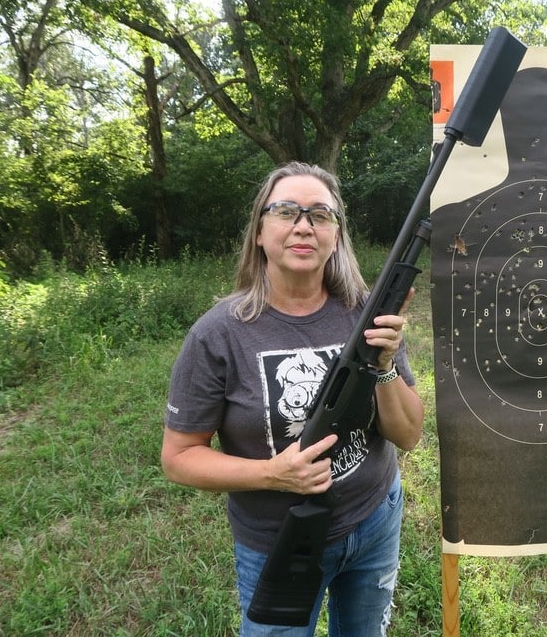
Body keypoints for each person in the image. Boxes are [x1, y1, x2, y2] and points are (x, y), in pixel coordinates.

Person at [161, 162, 425, 637]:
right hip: (276, 542)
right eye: (286, 211)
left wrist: (383, 367)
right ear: (259, 232)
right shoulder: (217, 335)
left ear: (336, 236)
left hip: (375, 520)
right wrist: (272, 474)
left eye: (320, 214)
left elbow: (408, 435)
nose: (304, 224)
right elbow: (179, 459)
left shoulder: (368, 314)